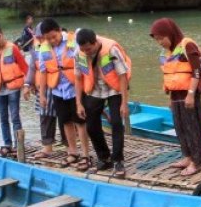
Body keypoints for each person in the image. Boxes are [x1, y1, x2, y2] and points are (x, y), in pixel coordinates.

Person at [149, 18, 201, 176]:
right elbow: (171, 76)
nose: (159, 42)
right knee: (180, 127)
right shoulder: (170, 51)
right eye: (157, 39)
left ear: (169, 33)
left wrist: (191, 94)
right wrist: (171, 98)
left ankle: (197, 162)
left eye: (161, 38)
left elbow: (196, 71)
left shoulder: (187, 45)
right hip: (176, 95)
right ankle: (188, 156)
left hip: (189, 94)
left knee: (192, 128)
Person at [74, 28, 131, 179]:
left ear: (96, 43)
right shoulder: (79, 54)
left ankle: (118, 160)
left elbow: (123, 75)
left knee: (117, 123)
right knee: (91, 125)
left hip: (115, 88)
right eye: (83, 49)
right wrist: (78, 103)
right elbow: (78, 78)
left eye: (89, 48)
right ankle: (104, 158)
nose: (86, 52)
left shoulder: (110, 50)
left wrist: (124, 103)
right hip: (94, 89)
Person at [37, 18, 91, 171]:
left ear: (60, 30)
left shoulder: (73, 42)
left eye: (54, 37)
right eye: (48, 38)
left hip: (75, 88)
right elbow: (42, 72)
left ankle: (86, 155)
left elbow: (84, 63)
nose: (52, 41)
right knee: (65, 121)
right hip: (57, 91)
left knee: (80, 121)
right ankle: (72, 152)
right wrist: (42, 95)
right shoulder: (44, 48)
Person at [0, 22, 28, 157]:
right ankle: (7, 144)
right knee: (3, 118)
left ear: (2, 34)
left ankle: (18, 145)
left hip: (13, 88)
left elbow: (25, 67)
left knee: (14, 117)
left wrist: (27, 86)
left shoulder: (12, 48)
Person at [23, 22, 59, 157]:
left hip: (60, 86)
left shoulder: (61, 46)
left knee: (65, 117)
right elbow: (33, 67)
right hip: (43, 87)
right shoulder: (36, 49)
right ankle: (47, 147)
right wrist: (28, 84)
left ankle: (70, 146)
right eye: (40, 38)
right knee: (45, 116)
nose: (43, 41)